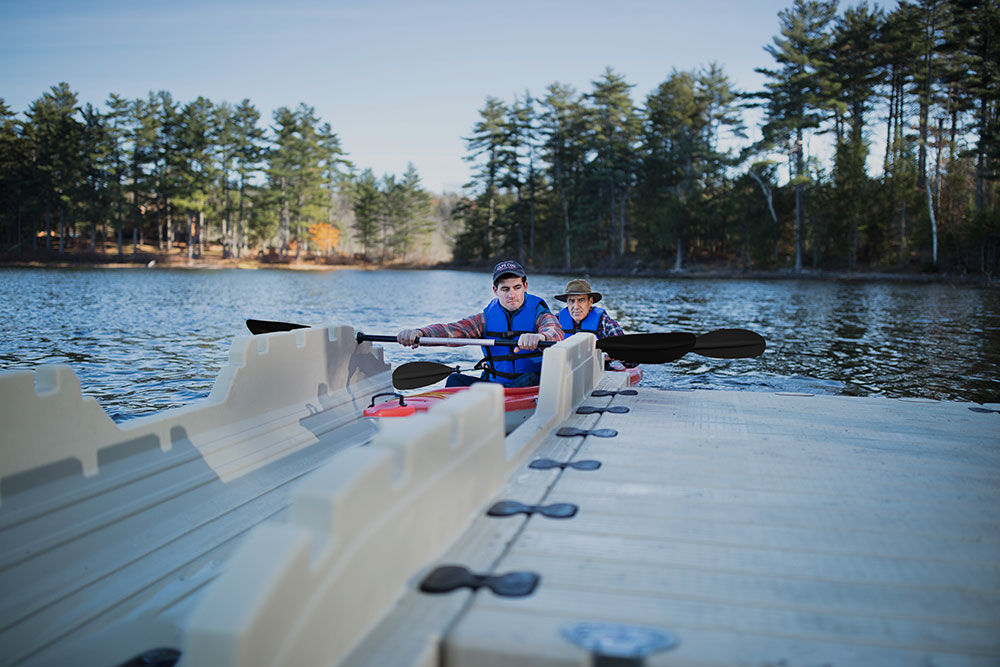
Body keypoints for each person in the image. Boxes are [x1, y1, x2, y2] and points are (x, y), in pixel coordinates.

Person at [397, 260, 564, 387]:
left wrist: (540, 336)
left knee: (530, 379)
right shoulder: (484, 319)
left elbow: (554, 332)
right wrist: (419, 333)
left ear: (525, 287)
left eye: (517, 287)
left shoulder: (538, 313)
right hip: (495, 387)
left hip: (528, 386)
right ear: (495, 290)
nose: (511, 294)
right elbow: (452, 330)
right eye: (505, 289)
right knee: (455, 380)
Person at [554, 278, 637, 367]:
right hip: (564, 370)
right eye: (572, 301)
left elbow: (631, 362)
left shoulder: (605, 322)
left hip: (596, 372)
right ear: (567, 302)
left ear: (590, 302)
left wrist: (613, 354)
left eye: (581, 300)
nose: (576, 306)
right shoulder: (556, 320)